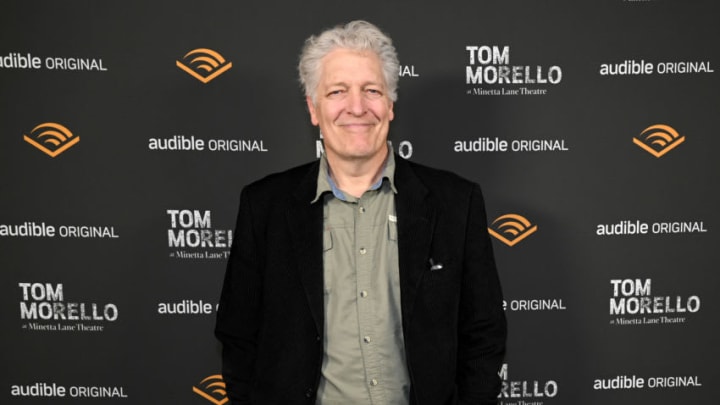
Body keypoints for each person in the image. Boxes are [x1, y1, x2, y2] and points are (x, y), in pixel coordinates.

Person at [215, 20, 507, 405]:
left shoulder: (456, 202)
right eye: (337, 91)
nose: (356, 107)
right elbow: (239, 336)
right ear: (314, 108)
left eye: (371, 90)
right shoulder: (263, 207)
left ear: (389, 105)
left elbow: (483, 334)